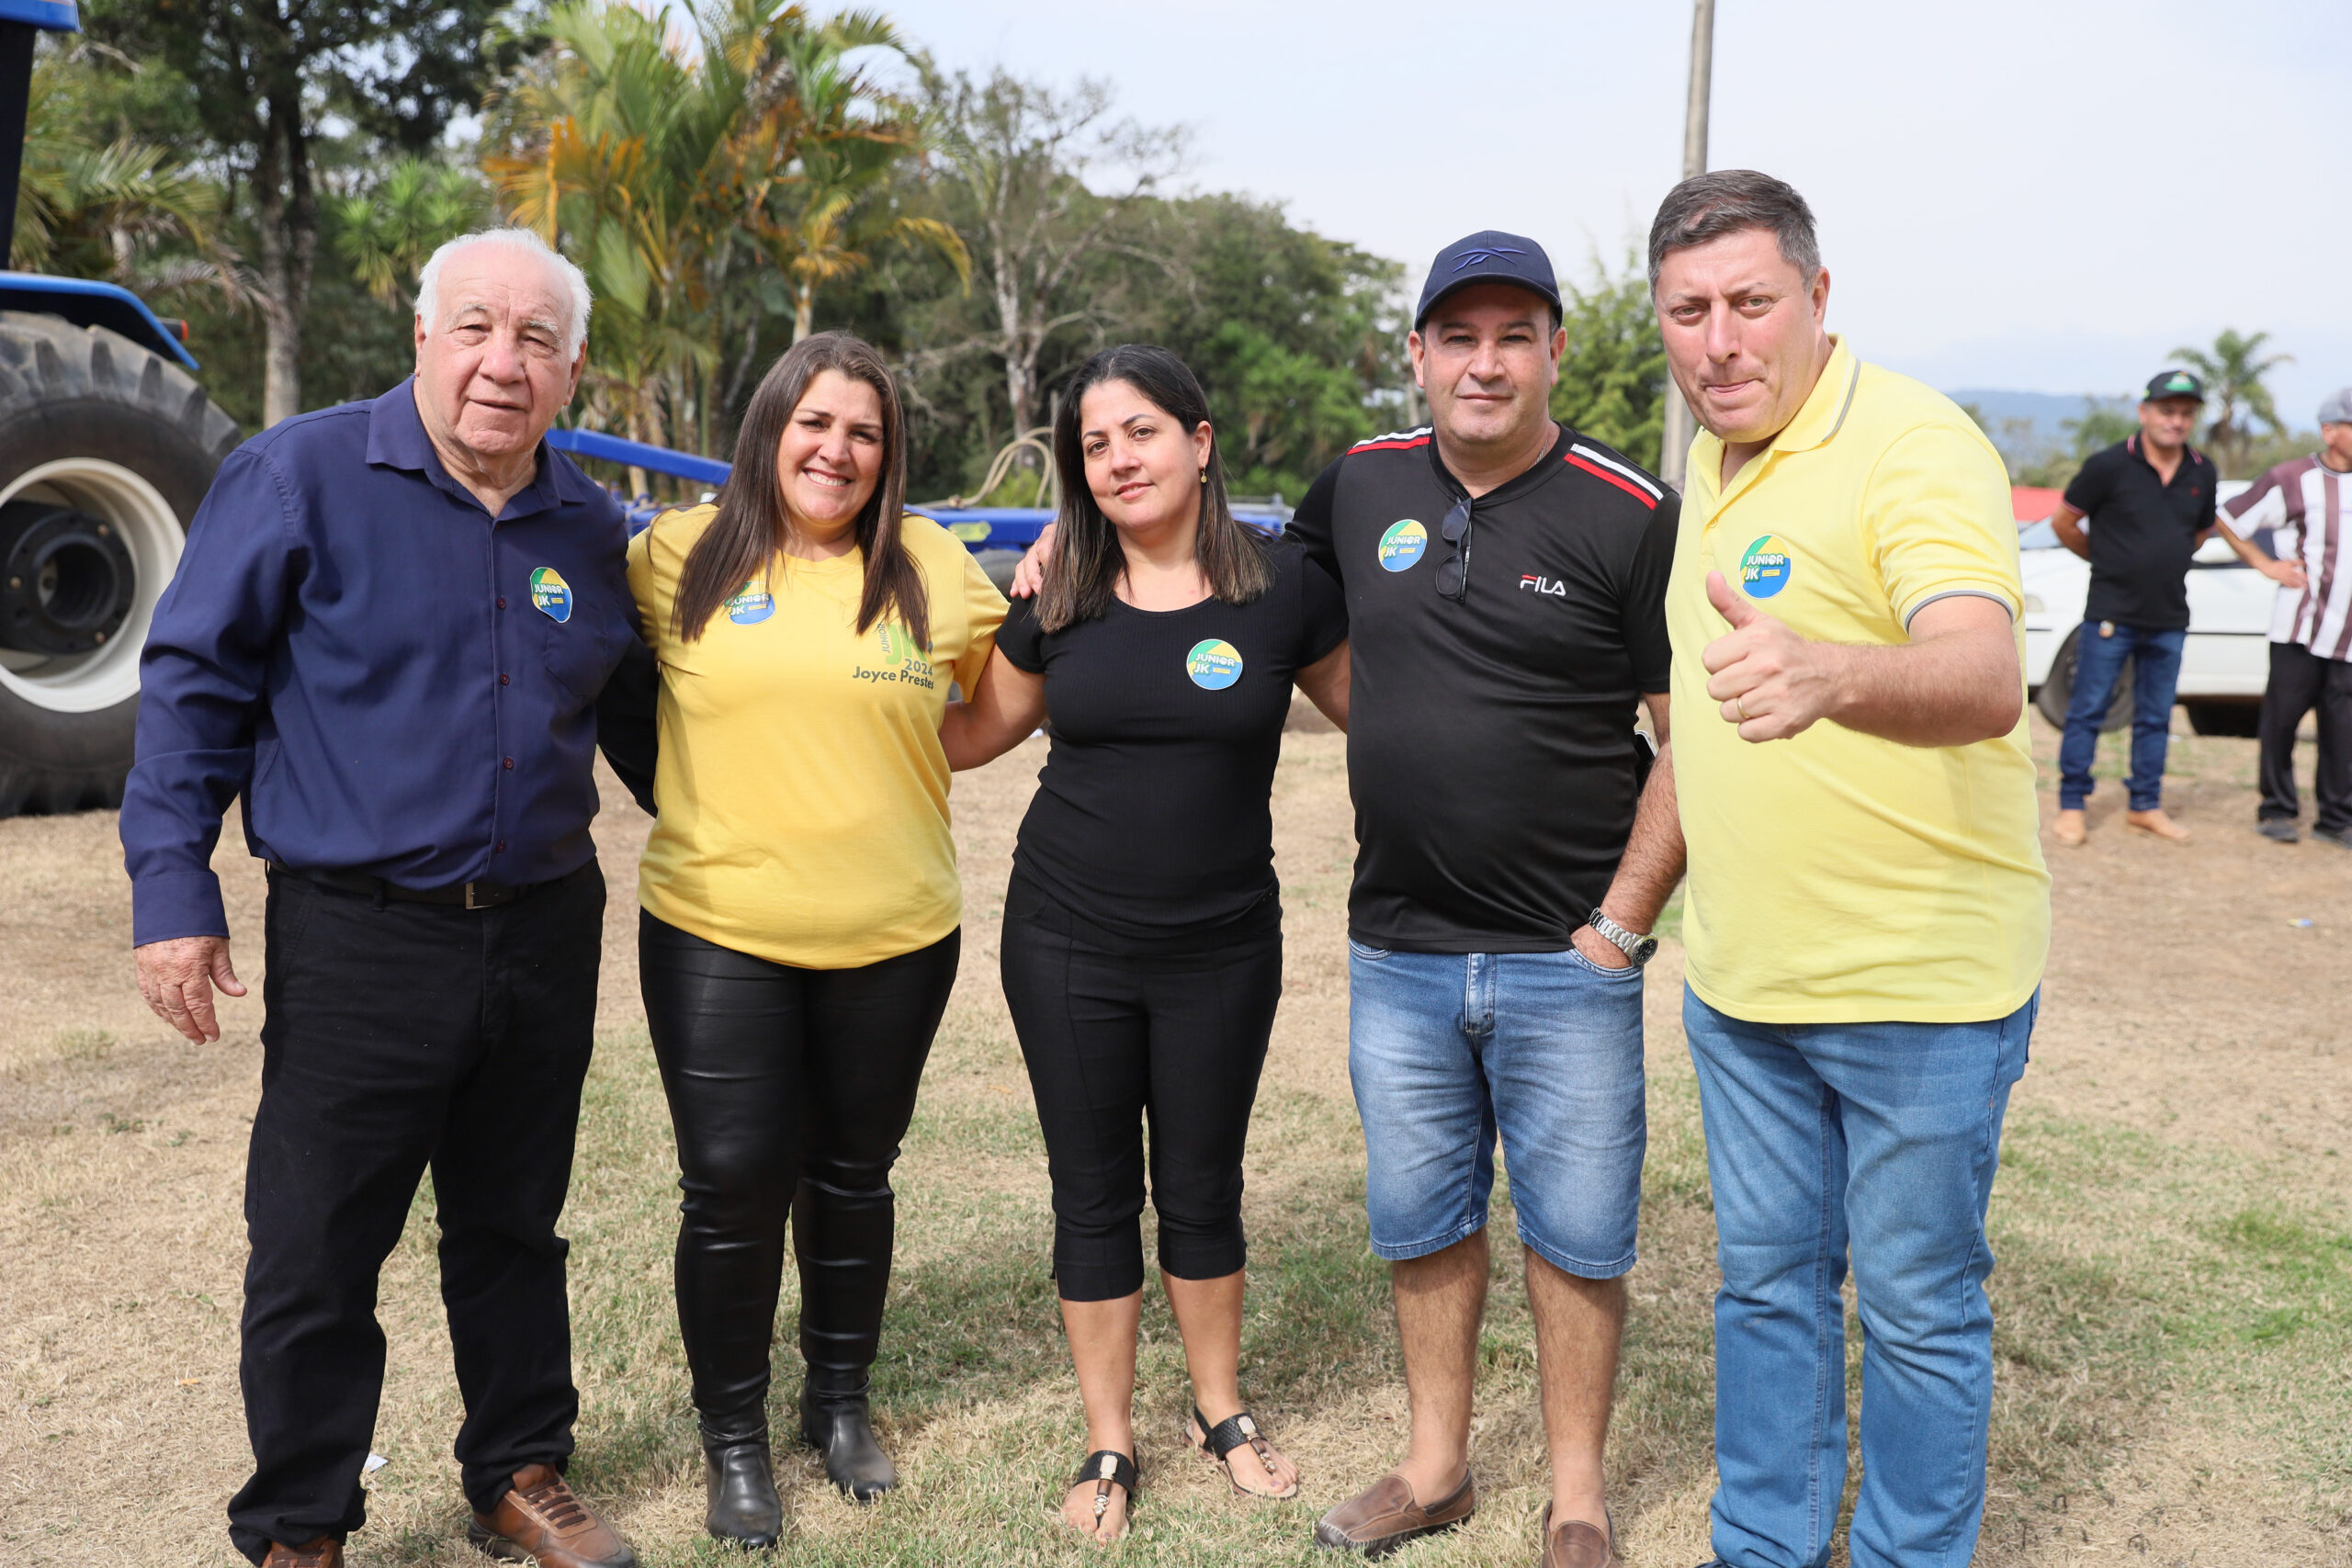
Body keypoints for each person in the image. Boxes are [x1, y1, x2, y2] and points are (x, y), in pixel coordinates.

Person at [1012, 233, 1678, 1565]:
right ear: (1417, 354)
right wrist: (1066, 535)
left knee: (1578, 1234)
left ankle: (1578, 1501)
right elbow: (1225, 563)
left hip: (1566, 953)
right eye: (1457, 337)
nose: (1484, 363)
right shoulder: (1359, 484)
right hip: (1400, 945)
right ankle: (1434, 1470)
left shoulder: (1631, 509)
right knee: (1424, 1220)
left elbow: (1688, 736)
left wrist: (1619, 923)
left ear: (1555, 349)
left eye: (1514, 335)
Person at [120, 229, 640, 1568]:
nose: (502, 362)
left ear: (572, 368)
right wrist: (172, 888)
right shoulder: (298, 477)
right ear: (422, 338)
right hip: (359, 933)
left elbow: (664, 725)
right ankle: (300, 1522)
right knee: (316, 1243)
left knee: (513, 1221)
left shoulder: (591, 530)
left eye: (535, 339)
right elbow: (191, 687)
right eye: (475, 327)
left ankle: (518, 1466)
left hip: (545, 926)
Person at [1633, 169, 2048, 1568]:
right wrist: (1633, 914)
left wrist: (1831, 672)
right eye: (1688, 311)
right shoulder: (1711, 466)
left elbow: (1983, 675)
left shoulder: (1913, 443)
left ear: (1818, 296)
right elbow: (1700, 726)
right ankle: (1763, 1542)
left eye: (1751, 303)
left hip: (1915, 989)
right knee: (1765, 1291)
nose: (1720, 342)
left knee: (1918, 1310)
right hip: (1743, 985)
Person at [940, 344, 1350, 1544]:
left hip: (1224, 945)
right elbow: (971, 734)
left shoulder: (1285, 587)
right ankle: (1109, 1435)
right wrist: (846, 691)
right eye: (1094, 443)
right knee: (1093, 1191)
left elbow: (1384, 716)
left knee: (1205, 1185)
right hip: (1064, 939)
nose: (1118, 459)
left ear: (1200, 441)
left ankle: (1220, 1408)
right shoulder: (1057, 588)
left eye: (1141, 432)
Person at [619, 332, 1006, 1549]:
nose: (837, 450)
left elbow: (998, 702)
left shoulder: (933, 563)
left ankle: (838, 1401)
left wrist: (905, 758)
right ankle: (734, 1437)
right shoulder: (673, 553)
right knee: (734, 1184)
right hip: (717, 927)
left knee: (852, 1174)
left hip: (896, 930)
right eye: (815, 423)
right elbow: (608, 683)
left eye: (864, 432)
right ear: (770, 427)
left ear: (889, 453)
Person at [2047, 370, 2222, 846]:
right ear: (2144, 413)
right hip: (2111, 613)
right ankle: (2071, 805)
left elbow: (2200, 531)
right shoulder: (2108, 465)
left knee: (2155, 717)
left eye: (2185, 413)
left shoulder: (2202, 471)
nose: (2176, 421)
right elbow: (2064, 522)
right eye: (2166, 411)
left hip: (2169, 618)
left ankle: (2145, 805)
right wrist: (2105, 559)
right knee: (2088, 711)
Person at [2213, 389, 2349, 845]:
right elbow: (2229, 518)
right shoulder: (2293, 478)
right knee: (2282, 720)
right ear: (2330, 431)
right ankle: (2277, 808)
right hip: (2300, 628)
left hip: (2348, 636)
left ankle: (2337, 818)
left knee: (2342, 730)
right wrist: (2265, 564)